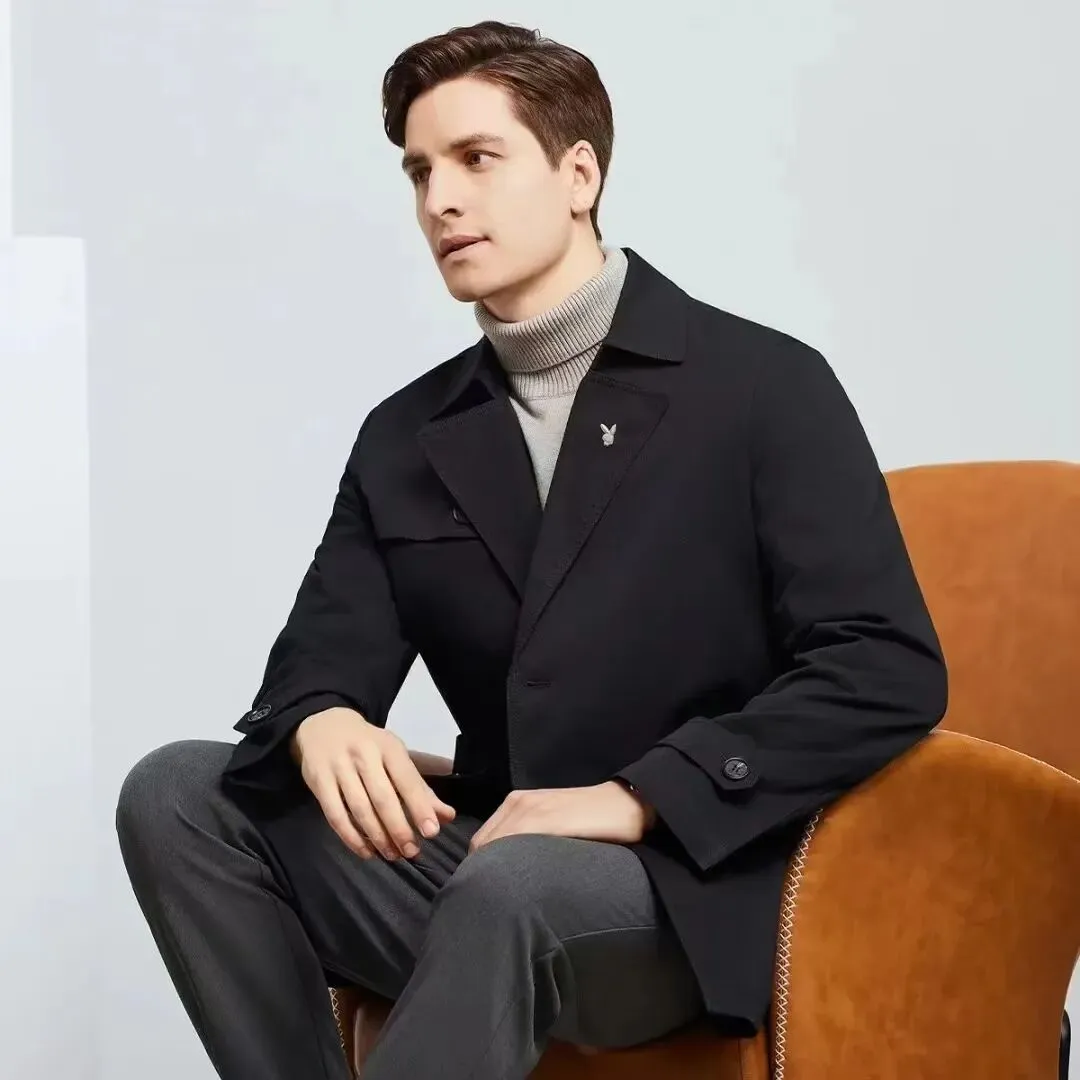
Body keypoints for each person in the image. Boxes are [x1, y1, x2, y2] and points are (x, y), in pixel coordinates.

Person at [116, 19, 948, 1080]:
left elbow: (883, 667)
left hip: (682, 887)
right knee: (180, 793)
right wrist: (322, 717)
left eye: (476, 158)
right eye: (420, 171)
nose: (440, 200)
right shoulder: (405, 435)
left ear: (579, 175)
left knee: (512, 884)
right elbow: (320, 661)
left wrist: (643, 793)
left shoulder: (760, 385)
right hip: (488, 862)